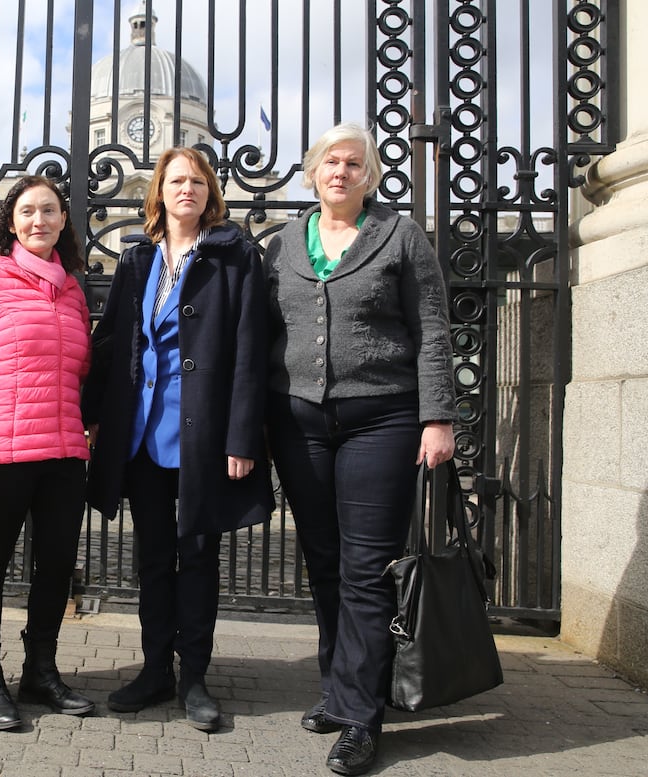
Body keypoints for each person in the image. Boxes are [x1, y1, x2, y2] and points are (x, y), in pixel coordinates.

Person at [264, 122, 456, 775]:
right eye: (329, 162)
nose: (340, 172)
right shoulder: (286, 241)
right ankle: (341, 689)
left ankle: (362, 718)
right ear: (312, 172)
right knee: (324, 562)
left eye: (353, 163)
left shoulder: (399, 236)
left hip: (384, 420)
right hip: (301, 426)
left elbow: (432, 329)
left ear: (368, 175)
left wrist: (438, 418)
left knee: (367, 567)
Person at [82, 147, 272, 732]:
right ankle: (153, 670)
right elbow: (112, 340)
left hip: (201, 437)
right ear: (158, 192)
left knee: (198, 558)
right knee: (154, 560)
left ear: (209, 191)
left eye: (195, 180)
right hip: (141, 437)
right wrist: (91, 417)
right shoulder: (137, 259)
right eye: (174, 181)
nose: (185, 189)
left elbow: (250, 351)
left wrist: (242, 437)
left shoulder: (234, 256)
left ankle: (194, 677)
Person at [0, 175, 95, 730]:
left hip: (61, 456)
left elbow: (82, 372)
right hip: (3, 457)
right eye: (28, 211)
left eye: (49, 211)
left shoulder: (73, 291)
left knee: (55, 566)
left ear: (62, 222)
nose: (39, 221)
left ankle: (41, 669)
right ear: (11, 221)